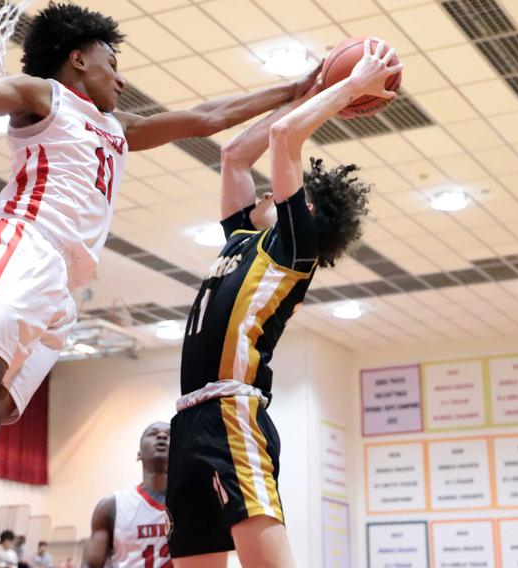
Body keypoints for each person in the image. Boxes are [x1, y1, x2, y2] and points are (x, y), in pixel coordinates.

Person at [0, 4, 317, 565]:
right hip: (24, 244)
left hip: (63, 284)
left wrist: (298, 88)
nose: (121, 77)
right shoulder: (44, 96)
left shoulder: (118, 129)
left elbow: (205, 116)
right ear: (78, 58)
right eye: (113, 61)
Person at [166, 40, 399, 568]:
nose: (272, 191)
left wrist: (345, 90)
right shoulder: (242, 240)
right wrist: (310, 90)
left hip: (233, 413)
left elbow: (282, 138)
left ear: (306, 210)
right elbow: (233, 155)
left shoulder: (294, 248)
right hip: (188, 421)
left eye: (290, 190)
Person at [83, 422, 170, 568]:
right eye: (153, 434)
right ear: (139, 455)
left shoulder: (193, 505)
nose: (161, 436)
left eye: (169, 435)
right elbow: (90, 564)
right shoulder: (111, 506)